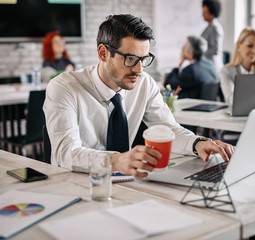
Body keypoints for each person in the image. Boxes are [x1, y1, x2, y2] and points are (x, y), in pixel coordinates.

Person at [43, 14, 235, 178]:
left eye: (143, 59)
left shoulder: (144, 83)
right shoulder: (63, 87)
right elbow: (65, 153)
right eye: (131, 59)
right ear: (103, 53)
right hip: (77, 185)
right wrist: (116, 161)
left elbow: (167, 128)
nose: (139, 70)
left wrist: (197, 143)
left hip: (127, 184)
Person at [219, 27, 255, 106]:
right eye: (250, 46)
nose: (254, 51)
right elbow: (232, 100)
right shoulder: (226, 71)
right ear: (239, 46)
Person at [201, 0, 224, 73]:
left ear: (211, 12)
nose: (202, 15)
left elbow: (215, 50)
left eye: (205, 12)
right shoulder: (209, 26)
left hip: (213, 66)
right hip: (208, 65)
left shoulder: (215, 28)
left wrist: (199, 54)